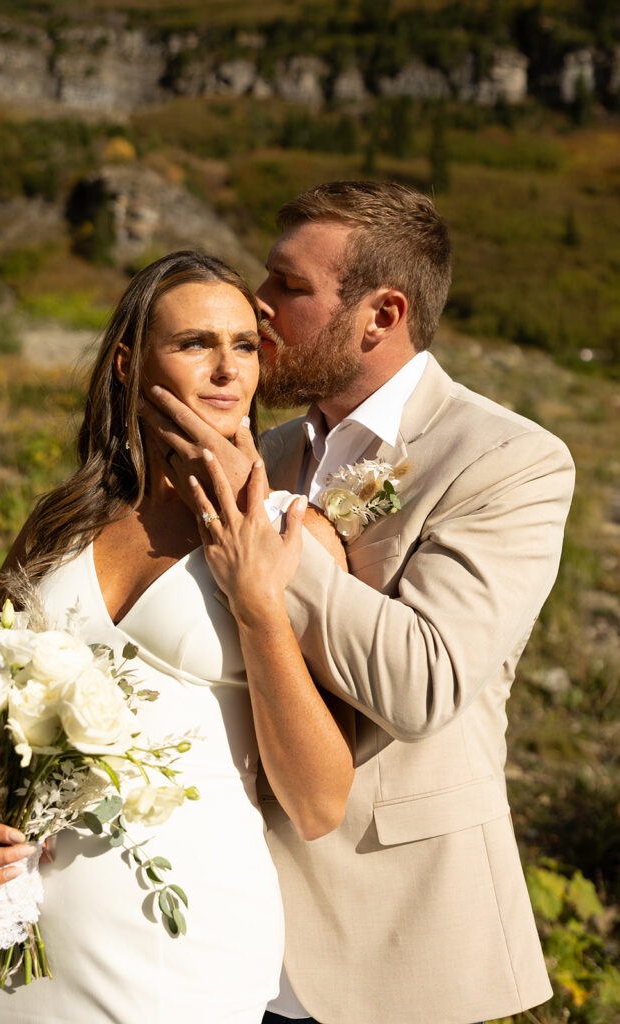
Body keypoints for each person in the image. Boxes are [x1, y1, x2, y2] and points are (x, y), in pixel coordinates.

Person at [139, 181, 576, 1024]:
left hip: (399, 942)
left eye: (287, 287)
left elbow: (424, 684)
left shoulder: (507, 460)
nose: (256, 307)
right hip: (230, 932)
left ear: (380, 315)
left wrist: (265, 528)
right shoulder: (261, 447)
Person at [0, 250, 355, 1024]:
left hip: (180, 934)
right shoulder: (60, 521)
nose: (227, 369)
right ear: (131, 365)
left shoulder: (293, 535)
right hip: (13, 921)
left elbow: (319, 800)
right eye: (196, 343)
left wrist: (258, 601)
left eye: (243, 346)